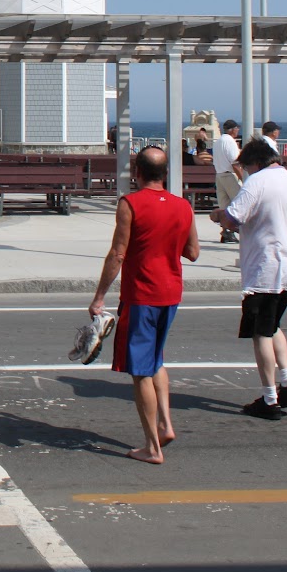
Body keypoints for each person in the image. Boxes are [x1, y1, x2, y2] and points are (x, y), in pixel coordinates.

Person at [88, 147, 200, 464]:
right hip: (171, 293)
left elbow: (118, 254)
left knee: (140, 372)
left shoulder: (130, 204)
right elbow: (193, 252)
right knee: (155, 359)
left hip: (142, 295)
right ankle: (165, 424)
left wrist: (99, 297)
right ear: (165, 173)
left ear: (137, 172)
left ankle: (152, 447)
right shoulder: (183, 206)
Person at [209, 138, 287, 420]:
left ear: (254, 163)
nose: (244, 172)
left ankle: (269, 399)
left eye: (245, 167)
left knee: (260, 332)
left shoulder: (257, 182)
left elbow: (232, 219)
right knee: (272, 325)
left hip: (266, 265)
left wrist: (218, 215)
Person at [213, 119, 243, 243]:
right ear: (232, 130)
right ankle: (234, 230)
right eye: (237, 128)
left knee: (224, 205)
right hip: (229, 175)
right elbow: (235, 163)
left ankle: (225, 231)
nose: (238, 130)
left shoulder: (218, 141)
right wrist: (244, 178)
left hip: (219, 175)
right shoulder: (230, 142)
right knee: (238, 203)